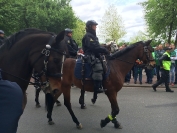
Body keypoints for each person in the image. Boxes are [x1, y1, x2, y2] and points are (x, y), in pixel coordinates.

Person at [82, 20, 110, 93]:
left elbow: (97, 46)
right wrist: (104, 50)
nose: (96, 27)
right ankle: (97, 87)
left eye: (95, 26)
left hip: (95, 54)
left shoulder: (93, 36)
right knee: (98, 66)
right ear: (90, 26)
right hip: (90, 54)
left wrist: (103, 49)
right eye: (94, 25)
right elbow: (93, 47)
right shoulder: (88, 36)